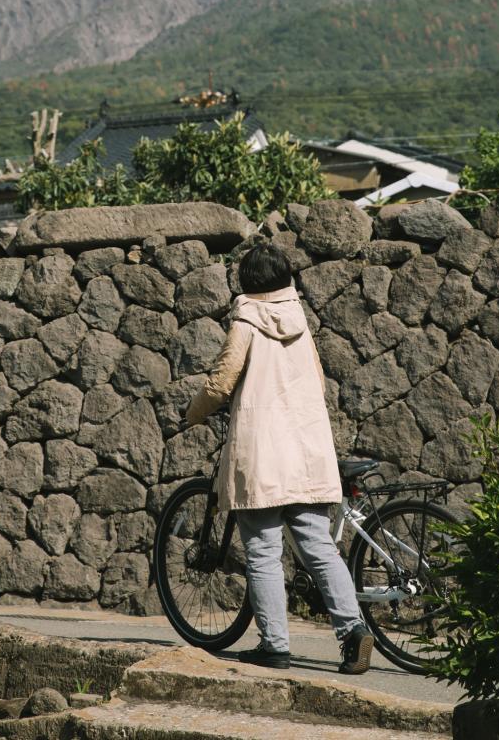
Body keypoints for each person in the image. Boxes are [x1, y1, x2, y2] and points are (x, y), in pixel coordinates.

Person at [183, 241, 374, 675]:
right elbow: (318, 383)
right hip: (306, 450)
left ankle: (275, 645)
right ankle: (354, 632)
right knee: (320, 547)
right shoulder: (301, 324)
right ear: (286, 279)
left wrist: (192, 414)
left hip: (263, 453)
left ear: (246, 283)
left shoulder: (246, 321)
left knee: (264, 551)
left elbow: (220, 384)